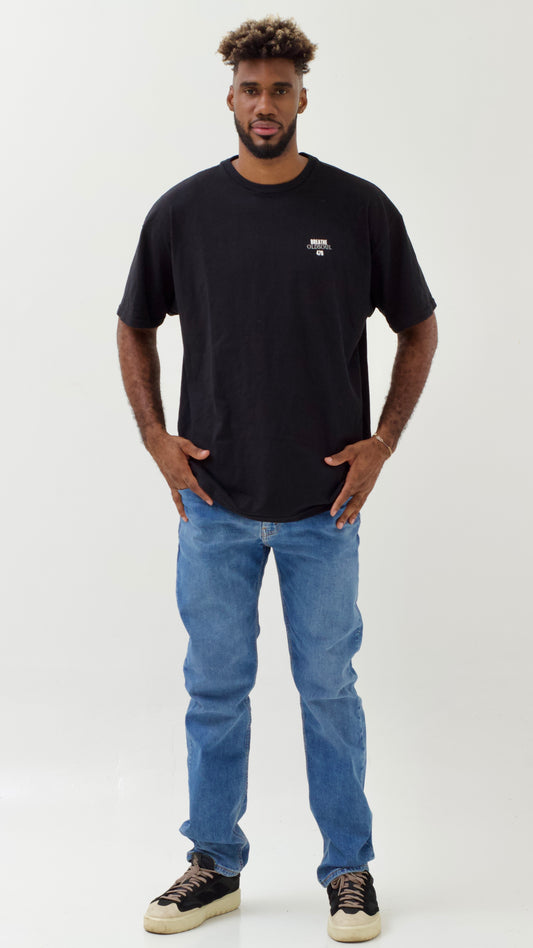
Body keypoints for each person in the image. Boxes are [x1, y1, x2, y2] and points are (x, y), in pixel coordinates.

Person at [116, 15, 437, 943]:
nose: (265, 104)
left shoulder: (357, 209)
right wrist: (156, 438)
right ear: (230, 97)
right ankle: (213, 866)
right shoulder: (182, 211)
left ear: (302, 98)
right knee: (214, 693)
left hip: (322, 509)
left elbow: (417, 325)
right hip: (212, 504)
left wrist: (381, 442)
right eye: (251, 89)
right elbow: (134, 323)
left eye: (280, 89)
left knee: (329, 692)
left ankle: (348, 870)